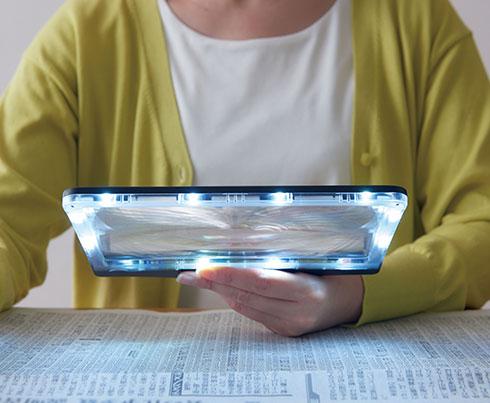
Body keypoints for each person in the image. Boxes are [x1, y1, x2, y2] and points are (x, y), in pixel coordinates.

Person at [0, 0, 489, 336]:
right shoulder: (84, 35)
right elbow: (7, 227)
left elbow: (480, 225)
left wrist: (358, 295)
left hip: (368, 396)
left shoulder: (419, 23)